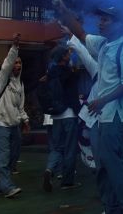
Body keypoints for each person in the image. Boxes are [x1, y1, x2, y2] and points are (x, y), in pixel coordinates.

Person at [55, 0, 123, 214]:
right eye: (100, 19)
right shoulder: (104, 45)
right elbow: (81, 34)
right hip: (101, 116)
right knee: (102, 163)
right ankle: (111, 207)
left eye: (105, 19)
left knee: (111, 160)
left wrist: (102, 100)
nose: (100, 23)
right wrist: (65, 10)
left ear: (119, 24)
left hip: (116, 114)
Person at [0, 33, 30, 198]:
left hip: (14, 124)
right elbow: (7, 64)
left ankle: (0, 186)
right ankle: (7, 187)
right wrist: (14, 47)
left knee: (14, 155)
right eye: (15, 62)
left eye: (19, 63)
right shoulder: (2, 78)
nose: (17, 65)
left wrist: (25, 120)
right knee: (3, 156)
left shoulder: (20, 84)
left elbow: (20, 106)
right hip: (0, 123)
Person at [42, 45, 81, 192]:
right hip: (69, 114)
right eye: (67, 53)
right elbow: (75, 79)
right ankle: (67, 182)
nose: (69, 54)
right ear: (63, 56)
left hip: (56, 115)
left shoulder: (50, 72)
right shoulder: (68, 72)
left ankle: (49, 169)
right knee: (70, 149)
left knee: (57, 147)